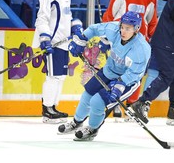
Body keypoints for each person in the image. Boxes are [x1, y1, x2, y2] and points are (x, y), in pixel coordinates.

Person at [57, 11, 151, 141]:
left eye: (128, 29)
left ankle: (92, 129)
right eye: (122, 27)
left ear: (136, 29)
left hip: (127, 82)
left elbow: (136, 73)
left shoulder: (142, 49)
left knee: (97, 102)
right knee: (87, 95)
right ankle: (76, 122)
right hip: (108, 71)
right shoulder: (114, 29)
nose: (123, 31)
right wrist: (82, 40)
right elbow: (94, 29)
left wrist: (120, 85)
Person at [102, 0, 158, 118]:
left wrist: (151, 37)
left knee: (137, 74)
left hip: (140, 42)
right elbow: (109, 15)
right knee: (119, 70)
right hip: (122, 40)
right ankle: (116, 102)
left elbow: (151, 20)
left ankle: (132, 103)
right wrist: (108, 36)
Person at [32, 0, 81, 124]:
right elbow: (42, 17)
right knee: (52, 77)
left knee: (60, 77)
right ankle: (47, 109)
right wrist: (45, 39)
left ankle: (53, 106)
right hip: (53, 42)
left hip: (64, 42)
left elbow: (67, 15)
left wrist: (75, 27)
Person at [131, 0, 174, 126]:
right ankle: (141, 102)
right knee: (167, 76)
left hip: (173, 42)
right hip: (167, 42)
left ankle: (173, 109)